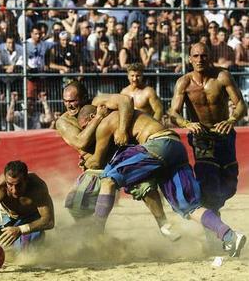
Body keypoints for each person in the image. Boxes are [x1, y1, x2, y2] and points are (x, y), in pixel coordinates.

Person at [78, 105, 246, 257]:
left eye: (86, 127)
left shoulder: (106, 122)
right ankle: (230, 235)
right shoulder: (126, 113)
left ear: (93, 117)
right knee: (190, 207)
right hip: (174, 147)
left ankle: (96, 231)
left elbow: (96, 161)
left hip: (157, 145)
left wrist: (85, 160)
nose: (88, 133)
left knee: (109, 179)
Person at [55, 81, 177, 240]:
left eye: (73, 101)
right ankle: (92, 238)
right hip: (95, 165)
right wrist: (98, 118)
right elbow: (81, 142)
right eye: (66, 101)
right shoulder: (64, 121)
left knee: (144, 185)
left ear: (84, 97)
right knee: (76, 205)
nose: (69, 105)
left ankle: (163, 225)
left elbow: (125, 100)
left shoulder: (97, 102)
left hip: (119, 157)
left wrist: (122, 129)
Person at [168, 43, 247, 213]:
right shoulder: (184, 82)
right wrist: (187, 124)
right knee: (208, 179)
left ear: (209, 57)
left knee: (230, 184)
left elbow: (241, 104)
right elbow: (173, 113)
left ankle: (211, 209)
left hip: (224, 134)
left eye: (203, 55)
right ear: (189, 59)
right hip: (201, 137)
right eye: (195, 56)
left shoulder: (222, 76)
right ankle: (211, 223)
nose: (199, 59)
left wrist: (232, 120)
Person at [0, 160, 54, 250]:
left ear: (26, 180)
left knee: (27, 250)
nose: (14, 190)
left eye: (18, 185)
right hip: (7, 216)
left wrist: (20, 229)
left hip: (30, 218)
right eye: (10, 184)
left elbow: (49, 220)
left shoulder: (37, 187)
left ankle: (34, 240)